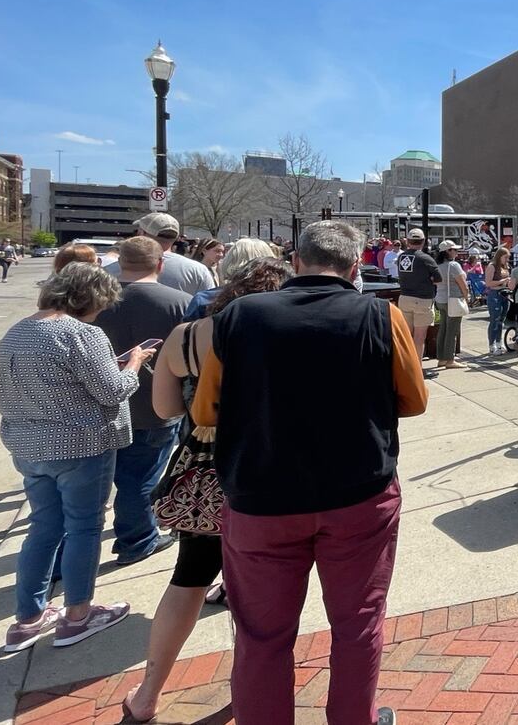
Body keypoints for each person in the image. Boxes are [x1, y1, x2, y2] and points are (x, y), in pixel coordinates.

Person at [189, 220, 427, 725]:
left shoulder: (238, 317)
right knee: (357, 623)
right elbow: (414, 399)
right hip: (359, 494)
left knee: (260, 634)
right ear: (355, 266)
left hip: (261, 498)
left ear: (294, 262)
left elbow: (205, 412)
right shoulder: (381, 315)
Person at [123, 258, 293, 723]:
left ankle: (147, 695)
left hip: (206, 472)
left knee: (189, 579)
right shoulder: (287, 336)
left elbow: (164, 409)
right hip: (269, 471)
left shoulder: (188, 337)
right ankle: (252, 690)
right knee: (255, 593)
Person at [0, 263, 153, 653]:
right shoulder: (83, 333)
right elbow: (112, 391)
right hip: (80, 446)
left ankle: (27, 618)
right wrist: (134, 363)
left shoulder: (18, 331)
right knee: (84, 527)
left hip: (30, 445)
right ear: (92, 297)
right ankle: (78, 615)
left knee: (43, 527)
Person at [94, 237, 192, 567]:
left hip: (99, 407)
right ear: (161, 264)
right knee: (139, 479)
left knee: (110, 481)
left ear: (120, 262)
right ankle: (137, 540)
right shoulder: (181, 302)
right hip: (157, 406)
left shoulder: (94, 302)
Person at [107, 214, 215, 295]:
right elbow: (209, 307)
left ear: (141, 233)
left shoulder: (110, 270)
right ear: (176, 238)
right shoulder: (198, 270)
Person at [184, 238, 280, 321]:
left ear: (230, 261)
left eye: (223, 252)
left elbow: (185, 337)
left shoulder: (205, 300)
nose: (221, 255)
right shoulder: (285, 301)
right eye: (217, 251)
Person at [394, 228, 442, 360]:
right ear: (423, 242)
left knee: (406, 335)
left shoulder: (401, 257)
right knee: (419, 338)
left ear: (408, 241)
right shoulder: (426, 258)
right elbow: (438, 279)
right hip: (422, 299)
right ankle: (416, 369)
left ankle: (405, 365)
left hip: (404, 298)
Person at [433, 241, 471, 369]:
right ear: (448, 251)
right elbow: (463, 285)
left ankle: (441, 358)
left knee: (443, 328)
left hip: (440, 299)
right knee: (452, 330)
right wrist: (467, 298)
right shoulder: (454, 265)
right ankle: (450, 359)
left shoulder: (437, 265)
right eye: (454, 249)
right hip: (453, 300)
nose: (456, 252)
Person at [485, 247, 511, 354]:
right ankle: (492, 345)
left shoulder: (505, 266)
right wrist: (502, 281)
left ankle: (499, 342)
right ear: (499, 256)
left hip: (505, 293)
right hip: (495, 293)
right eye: (505, 257)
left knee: (501, 320)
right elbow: (488, 283)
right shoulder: (492, 266)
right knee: (494, 319)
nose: (507, 260)